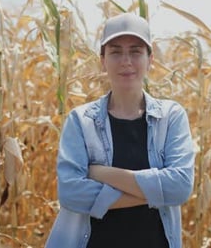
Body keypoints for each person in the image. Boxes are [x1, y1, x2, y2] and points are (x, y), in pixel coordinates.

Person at [45, 13, 195, 248]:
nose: (126, 61)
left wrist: (100, 173)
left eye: (135, 51)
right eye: (116, 52)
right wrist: (154, 193)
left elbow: (180, 187)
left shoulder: (171, 117)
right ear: (103, 60)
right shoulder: (81, 121)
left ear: (150, 59)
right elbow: (71, 193)